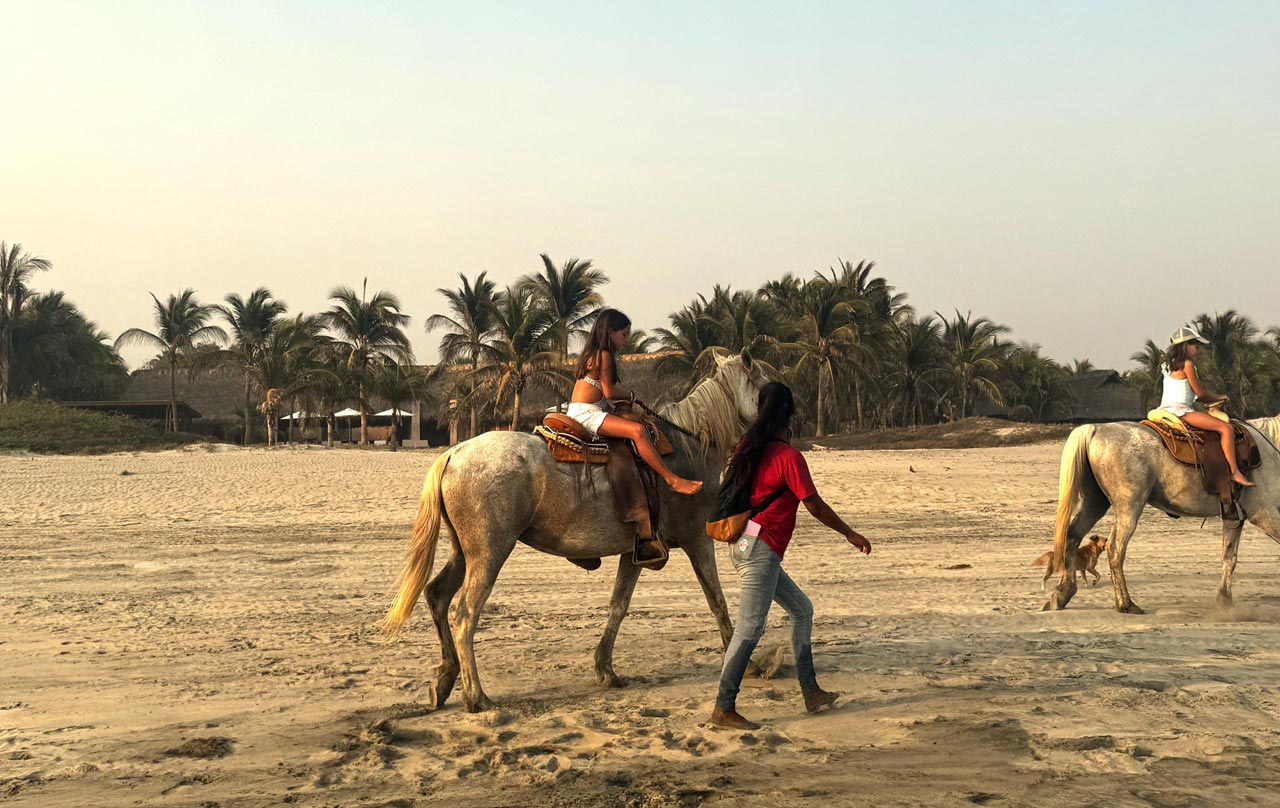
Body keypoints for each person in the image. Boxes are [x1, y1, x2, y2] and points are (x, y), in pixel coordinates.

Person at [710, 382, 872, 730]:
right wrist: (849, 533)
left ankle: (811, 692)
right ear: (789, 415)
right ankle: (723, 708)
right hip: (760, 551)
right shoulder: (787, 457)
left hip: (744, 545)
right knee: (750, 629)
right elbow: (813, 504)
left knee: (802, 611)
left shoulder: (747, 450)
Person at [568, 309, 703, 495]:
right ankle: (672, 480)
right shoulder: (604, 355)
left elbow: (600, 394)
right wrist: (630, 396)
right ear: (609, 332)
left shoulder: (592, 354)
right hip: (587, 414)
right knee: (637, 431)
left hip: (582, 410)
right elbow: (609, 391)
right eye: (623, 335)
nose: (625, 341)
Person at [1159, 325, 1253, 487]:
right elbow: (1201, 395)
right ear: (1186, 346)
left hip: (1164, 409)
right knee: (1226, 428)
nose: (1199, 349)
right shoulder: (1187, 364)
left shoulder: (1168, 365)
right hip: (1180, 410)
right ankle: (1234, 472)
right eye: (1196, 345)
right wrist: (1219, 397)